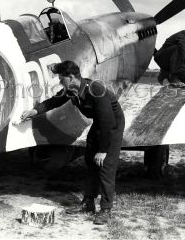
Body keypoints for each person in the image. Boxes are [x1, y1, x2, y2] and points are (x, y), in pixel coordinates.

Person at [21, 60, 125, 225]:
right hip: (99, 124)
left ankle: (105, 209)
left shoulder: (95, 89)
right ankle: (88, 203)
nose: (60, 82)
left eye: (62, 79)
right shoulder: (72, 90)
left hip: (112, 126)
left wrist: (103, 150)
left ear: (71, 77)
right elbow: (54, 101)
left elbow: (108, 122)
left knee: (106, 167)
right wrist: (35, 111)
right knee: (90, 161)